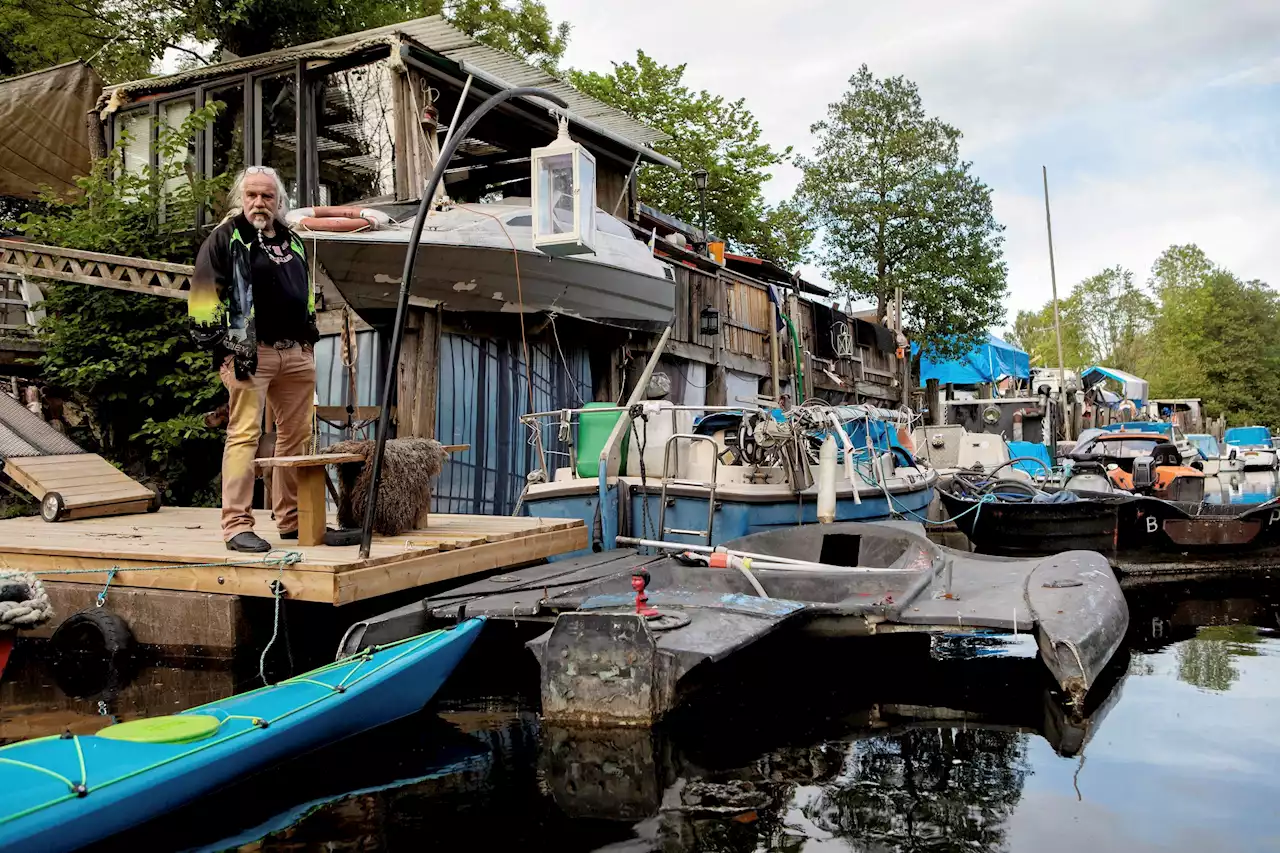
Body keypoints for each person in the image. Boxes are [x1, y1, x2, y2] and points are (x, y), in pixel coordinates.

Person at [189, 166, 319, 553]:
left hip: (294, 352)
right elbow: (202, 294)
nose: (260, 203)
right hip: (250, 352)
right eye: (252, 196)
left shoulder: (292, 241)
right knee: (244, 434)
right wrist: (223, 347)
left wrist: (309, 339)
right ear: (240, 198)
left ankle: (291, 521)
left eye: (267, 196)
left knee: (297, 437)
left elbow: (307, 292)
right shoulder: (225, 238)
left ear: (279, 201)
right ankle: (236, 525)